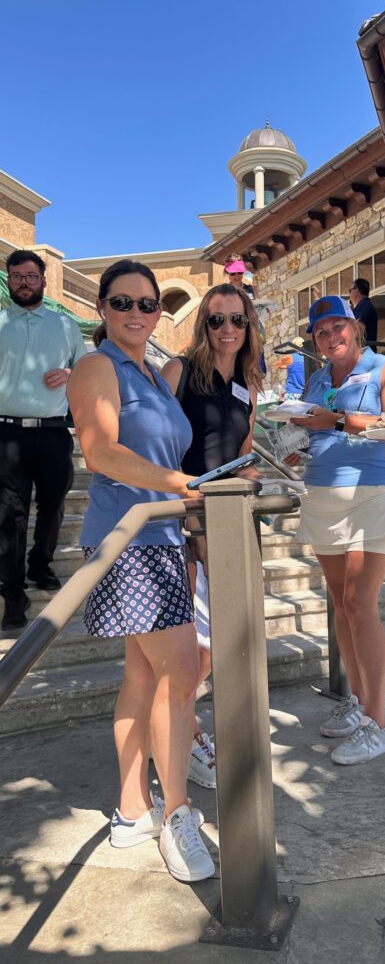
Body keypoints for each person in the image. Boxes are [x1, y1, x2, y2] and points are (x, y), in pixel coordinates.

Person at [68, 258, 214, 884]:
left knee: (145, 674)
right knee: (180, 671)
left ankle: (133, 810)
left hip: (161, 535)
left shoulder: (153, 373)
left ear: (159, 312)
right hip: (127, 538)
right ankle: (177, 813)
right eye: (122, 302)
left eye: (147, 304)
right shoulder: (96, 367)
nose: (136, 313)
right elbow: (100, 451)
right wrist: (179, 483)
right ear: (101, 308)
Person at [289, 295, 385, 766]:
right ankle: (358, 701)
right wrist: (296, 442)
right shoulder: (317, 379)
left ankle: (379, 722)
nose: (330, 336)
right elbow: (313, 432)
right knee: (340, 603)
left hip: (373, 491)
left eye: (337, 327)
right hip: (321, 493)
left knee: (360, 603)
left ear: (356, 328)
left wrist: (337, 419)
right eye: (321, 332)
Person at [161, 282, 262, 789]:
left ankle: (184, 732)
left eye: (237, 320)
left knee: (220, 639)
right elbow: (154, 443)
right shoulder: (179, 371)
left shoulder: (248, 381)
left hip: (230, 518)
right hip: (183, 519)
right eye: (217, 319)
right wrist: (182, 505)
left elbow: (243, 446)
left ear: (249, 326)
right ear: (203, 323)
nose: (227, 329)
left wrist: (252, 472)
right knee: (190, 646)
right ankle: (187, 737)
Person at [0, 249, 85, 633]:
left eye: (31, 276)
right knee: (9, 515)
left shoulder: (65, 326)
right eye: (17, 276)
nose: (24, 283)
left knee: (53, 504)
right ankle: (13, 594)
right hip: (6, 434)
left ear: (43, 281)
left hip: (52, 432)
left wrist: (69, 373)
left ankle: (41, 564)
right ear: (9, 280)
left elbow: (86, 370)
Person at [224, 254, 267, 376]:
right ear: (228, 274)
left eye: (239, 272)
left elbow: (260, 309)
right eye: (233, 273)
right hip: (235, 332)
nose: (237, 276)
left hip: (252, 332)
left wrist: (263, 309)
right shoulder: (224, 292)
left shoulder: (252, 289)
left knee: (256, 370)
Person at [349, 278, 378, 352]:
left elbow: (359, 328)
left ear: (357, 290)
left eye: (350, 290)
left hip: (364, 353)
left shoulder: (364, 305)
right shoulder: (364, 305)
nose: (349, 294)